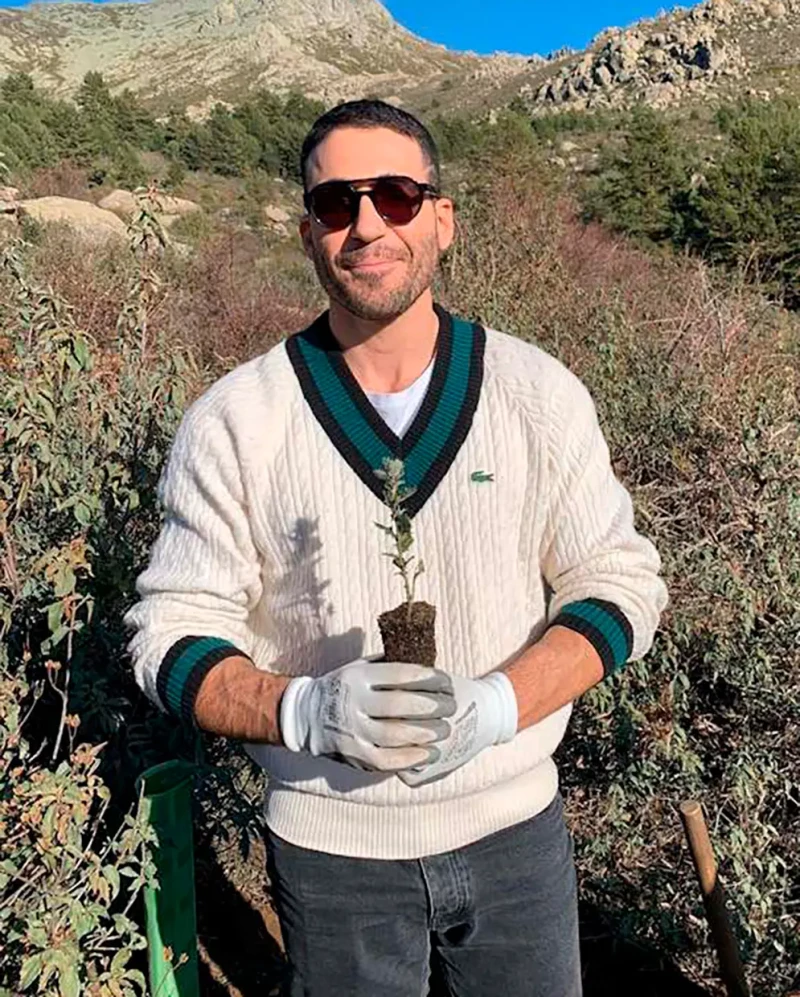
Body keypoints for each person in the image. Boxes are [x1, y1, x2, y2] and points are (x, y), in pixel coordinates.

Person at [126, 99, 668, 997]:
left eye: (397, 195)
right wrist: (303, 712)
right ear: (308, 233)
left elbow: (618, 584)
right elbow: (170, 634)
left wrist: (500, 706)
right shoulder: (236, 420)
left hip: (516, 834)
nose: (367, 223)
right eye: (337, 203)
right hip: (332, 852)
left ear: (442, 220)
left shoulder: (537, 392)